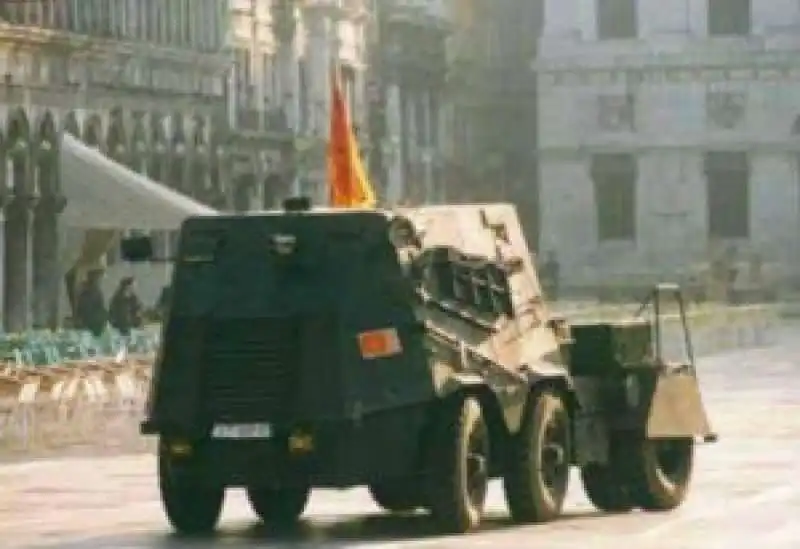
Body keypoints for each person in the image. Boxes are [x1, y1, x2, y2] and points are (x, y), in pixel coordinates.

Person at [75, 268, 108, 337]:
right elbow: (85, 309)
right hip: (91, 324)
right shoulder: (90, 292)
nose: (100, 281)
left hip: (93, 323)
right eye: (99, 278)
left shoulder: (95, 291)